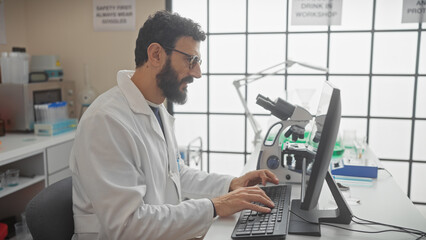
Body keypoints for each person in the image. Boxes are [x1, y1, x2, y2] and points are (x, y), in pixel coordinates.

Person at [69, 10, 279, 240]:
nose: (197, 73)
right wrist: (215, 206)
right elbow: (127, 226)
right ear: (156, 54)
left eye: (198, 61)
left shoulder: (155, 107)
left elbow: (175, 174)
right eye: (191, 60)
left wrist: (230, 185)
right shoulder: (106, 121)